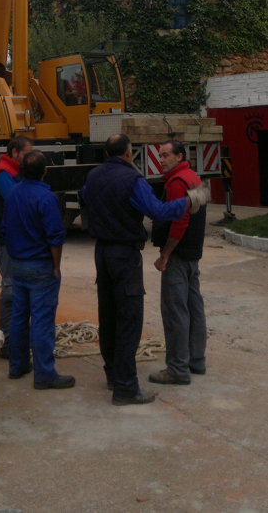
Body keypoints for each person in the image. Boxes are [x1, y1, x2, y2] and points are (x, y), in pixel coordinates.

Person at [82, 133, 208, 406]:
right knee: (129, 319)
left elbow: (85, 201)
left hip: (102, 252)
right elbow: (159, 212)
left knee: (109, 314)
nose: (161, 160)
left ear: (106, 154)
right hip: (124, 255)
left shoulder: (92, 177)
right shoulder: (133, 181)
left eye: (165, 155)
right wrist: (188, 201)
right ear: (128, 154)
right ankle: (127, 388)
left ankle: (114, 375)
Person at [2, 150, 75, 390]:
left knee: (19, 317)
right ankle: (45, 374)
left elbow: (6, 227)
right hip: (41, 265)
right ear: (45, 171)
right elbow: (55, 236)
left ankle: (17, 365)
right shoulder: (46, 197)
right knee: (42, 320)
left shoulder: (12, 193)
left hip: (18, 265)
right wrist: (56, 266)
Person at [149, 140, 207, 385]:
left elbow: (180, 222)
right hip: (193, 254)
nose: (161, 160)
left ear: (179, 156)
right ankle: (196, 360)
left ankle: (177, 369)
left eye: (166, 155)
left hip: (179, 255)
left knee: (175, 313)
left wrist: (165, 255)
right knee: (194, 308)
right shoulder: (193, 177)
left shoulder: (176, 183)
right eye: (160, 155)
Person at [0, 136, 33, 358]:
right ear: (15, 152)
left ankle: (15, 340)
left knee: (15, 290)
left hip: (14, 241)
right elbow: (15, 202)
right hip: (8, 242)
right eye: (27, 153)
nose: (30, 157)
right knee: (10, 291)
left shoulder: (12, 170)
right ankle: (8, 342)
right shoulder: (4, 172)